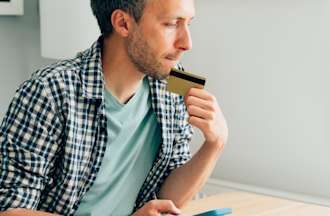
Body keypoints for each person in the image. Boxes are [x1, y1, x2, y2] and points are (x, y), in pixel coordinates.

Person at [0, 0, 228, 215]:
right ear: (123, 23)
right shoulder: (49, 92)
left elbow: (168, 199)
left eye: (188, 24)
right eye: (171, 24)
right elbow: (9, 210)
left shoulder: (175, 82)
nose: (187, 43)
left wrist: (215, 143)